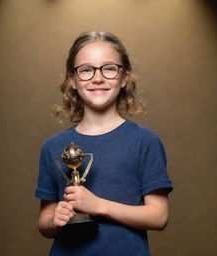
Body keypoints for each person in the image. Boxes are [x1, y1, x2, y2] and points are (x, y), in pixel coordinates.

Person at [35, 31, 173, 256]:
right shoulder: (53, 146)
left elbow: (158, 216)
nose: (97, 78)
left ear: (124, 77)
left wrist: (98, 205)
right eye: (86, 70)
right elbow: (44, 221)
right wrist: (54, 220)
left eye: (108, 68)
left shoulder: (145, 141)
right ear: (72, 80)